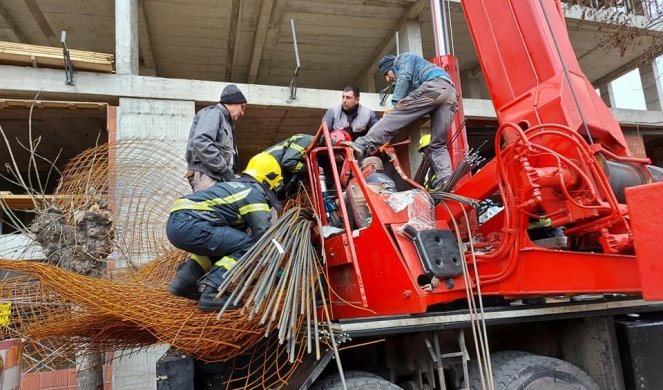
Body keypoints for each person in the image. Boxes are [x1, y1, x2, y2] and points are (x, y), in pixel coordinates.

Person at [166, 152, 283, 312]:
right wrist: (276, 263)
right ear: (269, 178)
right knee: (249, 246)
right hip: (192, 222)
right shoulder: (254, 193)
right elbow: (263, 234)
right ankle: (212, 293)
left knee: (222, 247)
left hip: (177, 223)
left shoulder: (233, 186)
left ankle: (184, 282)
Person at [343, 53, 458, 190]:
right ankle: (445, 179)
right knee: (438, 144)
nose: (388, 79)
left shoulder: (403, 59)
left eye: (387, 73)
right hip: (451, 95)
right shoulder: (419, 75)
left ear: (392, 66)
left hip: (435, 87)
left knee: (395, 116)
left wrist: (395, 104)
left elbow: (404, 77)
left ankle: (363, 144)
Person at [185, 84, 248, 192]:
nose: (242, 112)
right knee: (209, 208)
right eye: (242, 106)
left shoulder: (226, 122)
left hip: (217, 176)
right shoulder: (214, 113)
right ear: (232, 102)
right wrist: (224, 170)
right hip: (208, 176)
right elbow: (202, 142)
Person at [264, 134, 315, 198]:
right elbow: (288, 162)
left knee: (290, 192)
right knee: (272, 198)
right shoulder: (307, 140)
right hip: (267, 166)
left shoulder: (321, 151)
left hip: (278, 170)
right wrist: (312, 169)